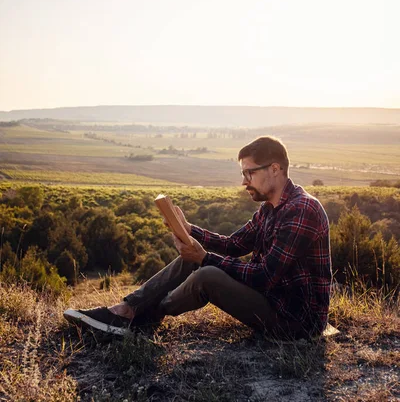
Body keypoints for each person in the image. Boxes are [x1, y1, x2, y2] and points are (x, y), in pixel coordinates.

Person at [64, 136, 332, 339]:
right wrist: (189, 230)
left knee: (206, 274)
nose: (244, 181)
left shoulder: (302, 209)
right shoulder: (269, 209)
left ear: (275, 169)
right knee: (192, 258)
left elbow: (264, 276)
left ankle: (143, 317)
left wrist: (204, 258)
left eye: (249, 173)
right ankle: (128, 309)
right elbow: (233, 245)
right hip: (273, 302)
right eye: (243, 173)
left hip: (297, 322)